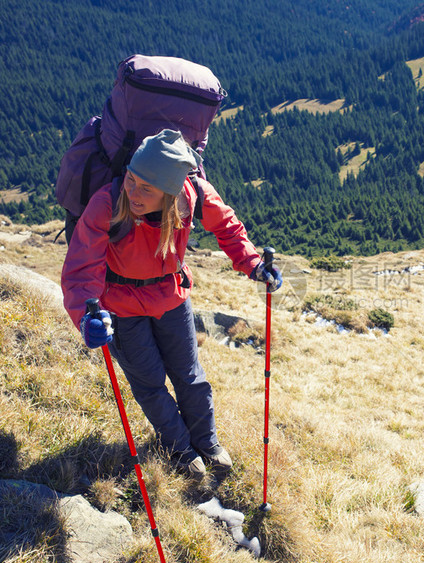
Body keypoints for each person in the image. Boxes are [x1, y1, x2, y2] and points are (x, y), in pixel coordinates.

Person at [61, 129, 282, 478]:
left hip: (171, 296)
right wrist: (86, 316)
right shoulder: (108, 201)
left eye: (146, 188)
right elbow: (80, 268)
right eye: (131, 180)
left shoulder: (191, 194)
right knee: (149, 382)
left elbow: (227, 227)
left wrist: (253, 264)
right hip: (121, 306)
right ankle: (179, 448)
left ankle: (206, 442)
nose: (133, 192)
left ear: (170, 190)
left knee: (189, 376)